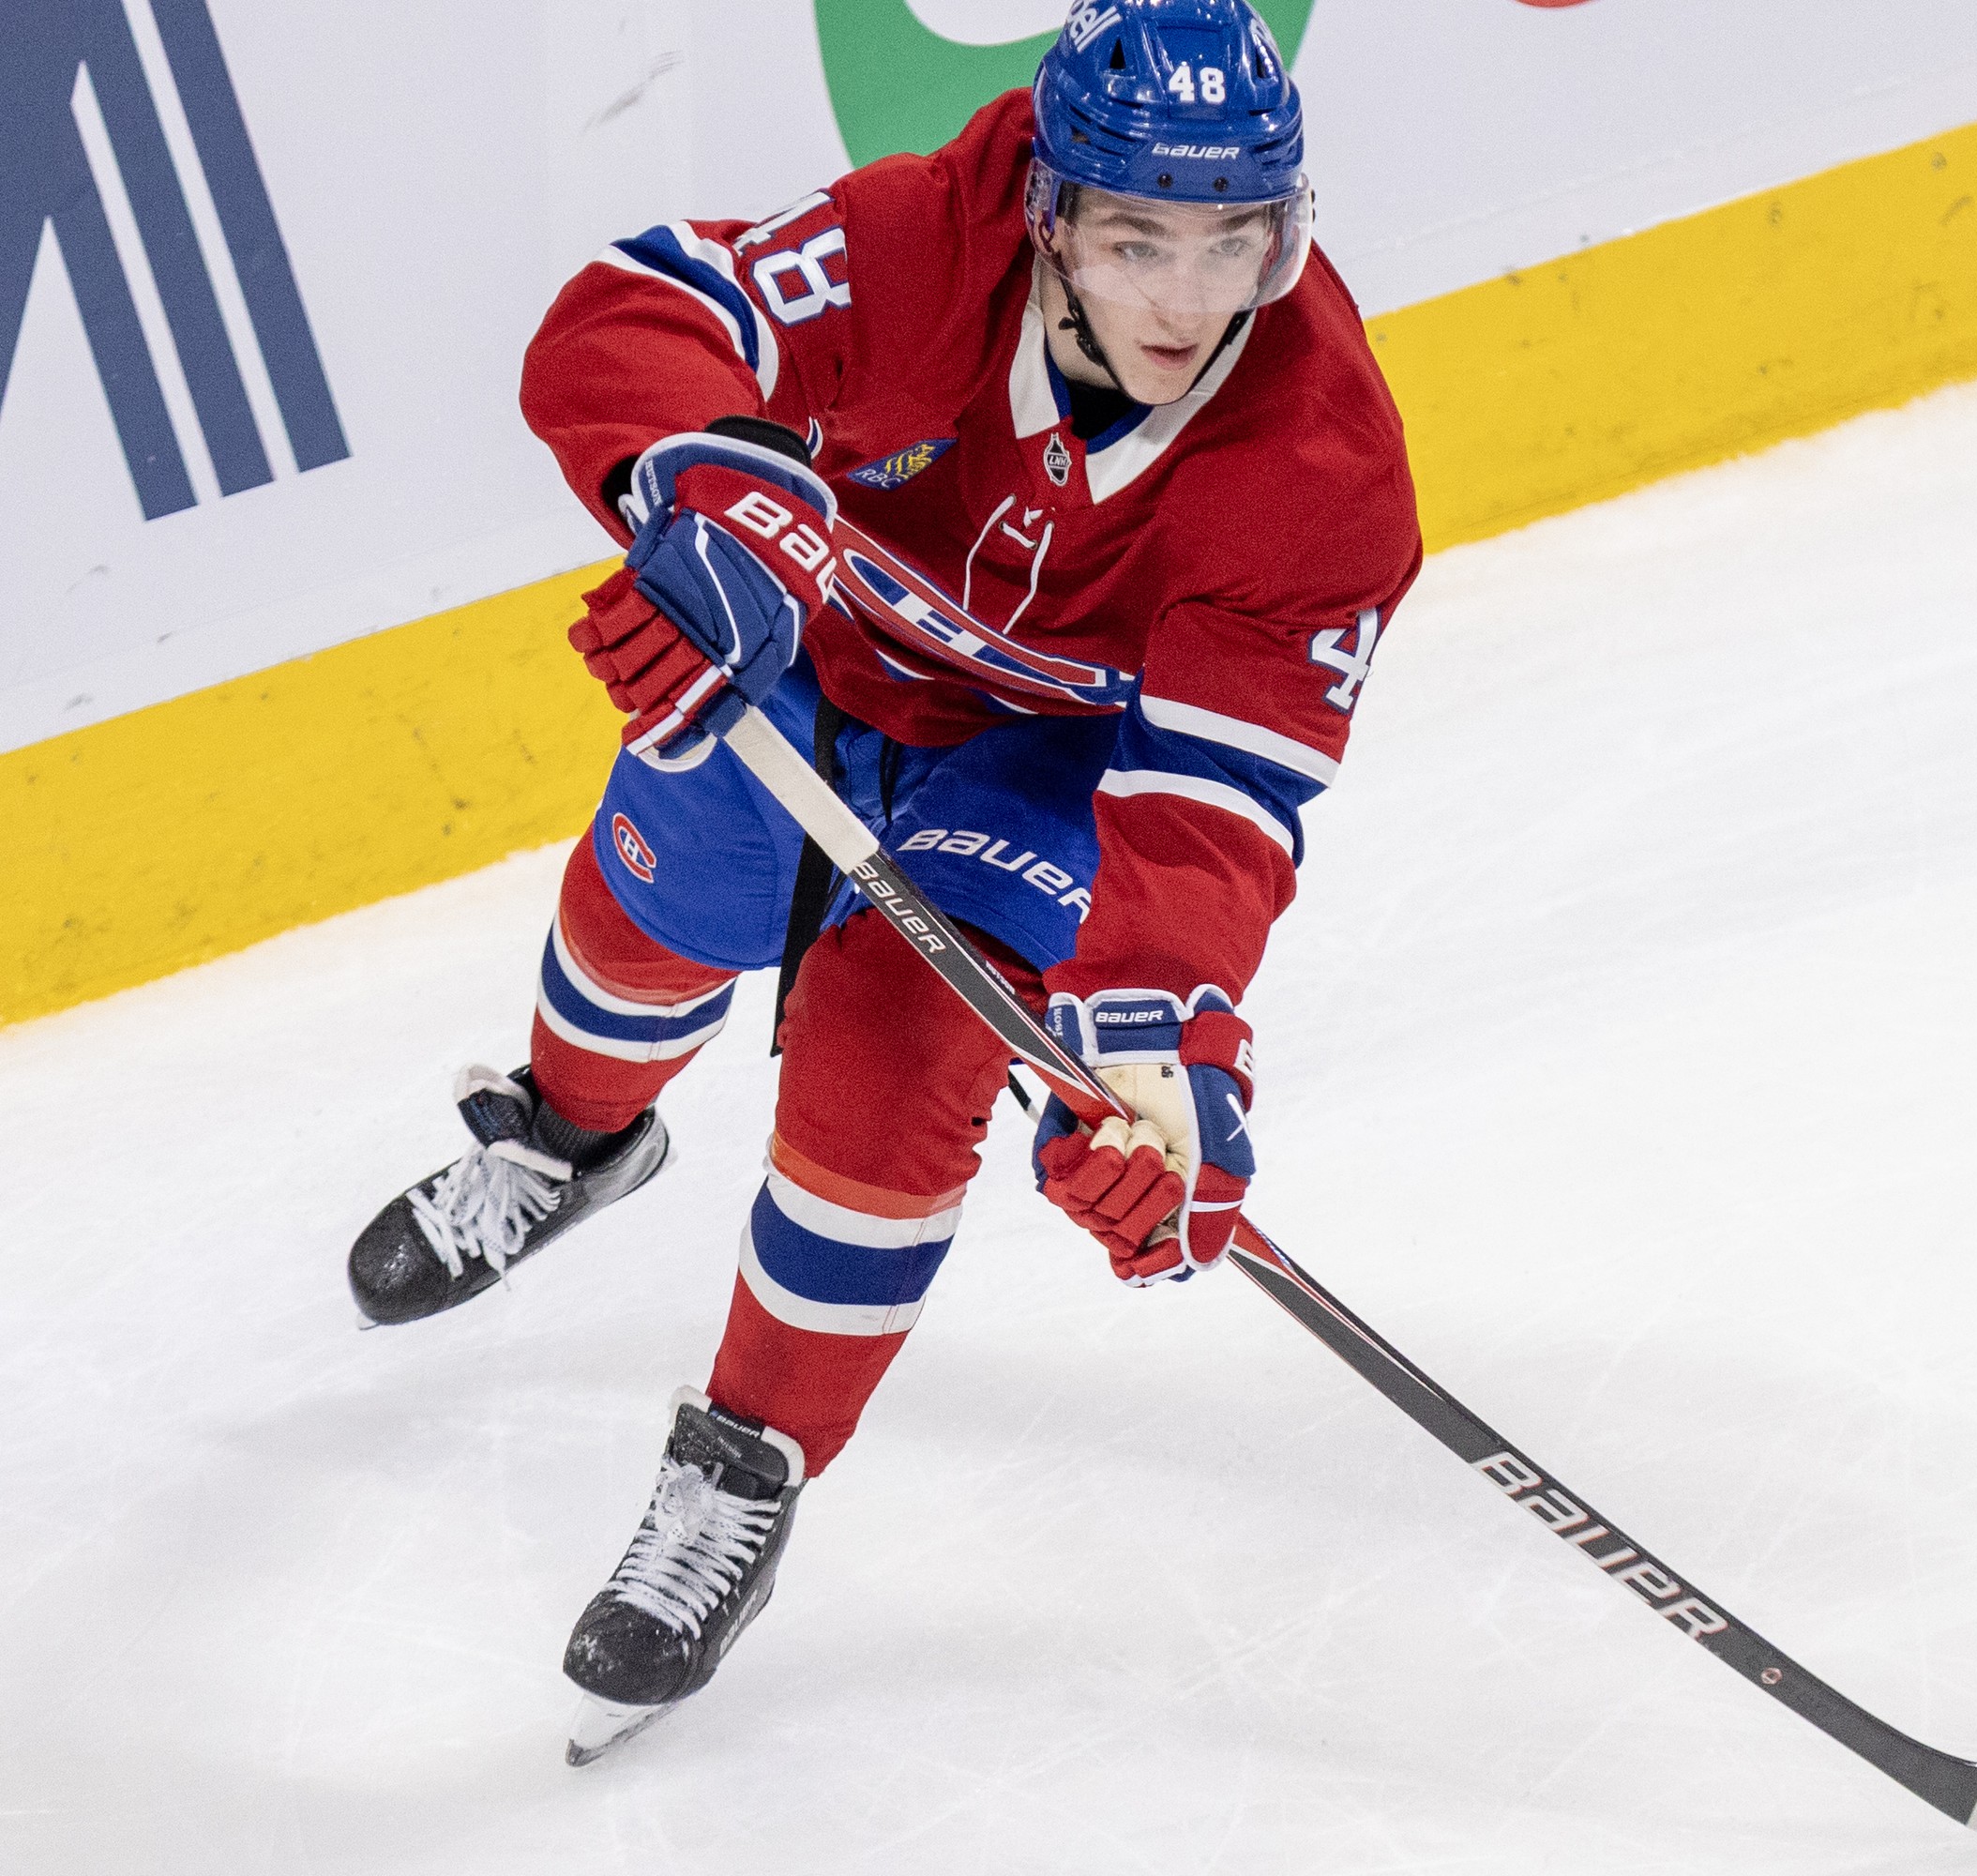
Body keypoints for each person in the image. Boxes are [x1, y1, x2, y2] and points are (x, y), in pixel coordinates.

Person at [343, 0, 1419, 1755]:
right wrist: (710, 496)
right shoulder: (926, 240)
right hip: (812, 664)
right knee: (641, 923)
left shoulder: (1325, 469)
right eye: (1140, 236)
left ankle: (747, 1460)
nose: (1185, 298)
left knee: (889, 1063)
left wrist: (1163, 1050)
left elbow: (1215, 804)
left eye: (1238, 241)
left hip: (1039, 775)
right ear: (1053, 215)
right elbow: (634, 317)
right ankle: (566, 1140)